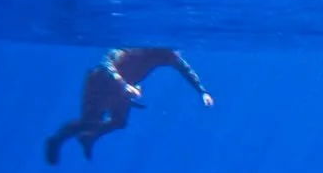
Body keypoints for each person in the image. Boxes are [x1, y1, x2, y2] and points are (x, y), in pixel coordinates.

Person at [44, 47, 212, 164]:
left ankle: (89, 136)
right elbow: (106, 62)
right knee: (89, 122)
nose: (174, 56)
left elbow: (185, 69)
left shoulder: (166, 55)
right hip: (99, 84)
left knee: (119, 122)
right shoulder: (134, 49)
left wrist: (202, 91)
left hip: (123, 89)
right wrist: (123, 85)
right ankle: (56, 140)